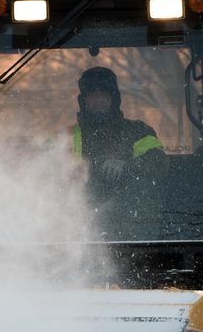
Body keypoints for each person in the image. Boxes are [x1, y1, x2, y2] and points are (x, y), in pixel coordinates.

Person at [71, 67, 169, 240]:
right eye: (93, 95)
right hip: (81, 231)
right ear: (83, 101)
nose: (99, 100)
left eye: (104, 95)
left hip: (136, 232)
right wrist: (96, 165)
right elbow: (50, 167)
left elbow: (159, 161)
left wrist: (127, 167)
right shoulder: (67, 137)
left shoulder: (138, 132)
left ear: (114, 99)